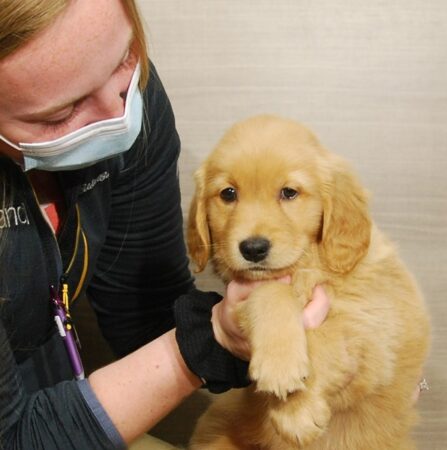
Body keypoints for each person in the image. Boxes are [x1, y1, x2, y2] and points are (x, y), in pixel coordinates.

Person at [0, 1, 329, 449]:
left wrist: (311, 352)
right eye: (60, 115)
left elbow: (145, 311)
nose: (118, 114)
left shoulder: (133, 108)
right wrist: (207, 340)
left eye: (123, 60)